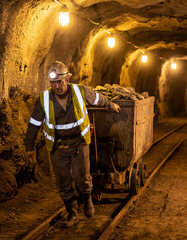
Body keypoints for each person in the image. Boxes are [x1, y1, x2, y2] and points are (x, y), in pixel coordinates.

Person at [24, 61, 120, 228]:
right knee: (63, 182)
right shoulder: (44, 99)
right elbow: (34, 124)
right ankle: (72, 213)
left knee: (82, 178)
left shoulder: (80, 91)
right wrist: (29, 147)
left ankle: (87, 198)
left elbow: (98, 99)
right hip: (57, 147)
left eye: (59, 82)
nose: (56, 86)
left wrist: (111, 105)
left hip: (79, 143)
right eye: (53, 83)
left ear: (67, 80)